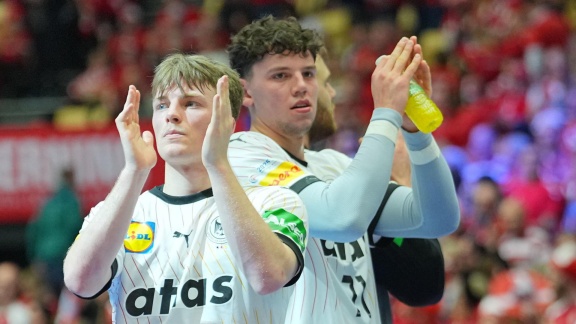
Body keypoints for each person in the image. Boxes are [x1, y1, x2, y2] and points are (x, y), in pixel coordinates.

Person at [227, 15, 460, 323]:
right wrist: (386, 112)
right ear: (246, 93)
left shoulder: (334, 164)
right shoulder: (240, 155)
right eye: (280, 76)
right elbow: (343, 218)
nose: (301, 87)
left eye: (309, 74)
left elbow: (437, 218)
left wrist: (416, 135)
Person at [63, 53, 308, 323]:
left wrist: (218, 165)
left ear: (227, 120)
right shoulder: (121, 213)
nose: (172, 115)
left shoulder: (276, 202)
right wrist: (134, 172)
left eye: (190, 103)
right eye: (162, 105)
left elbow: (267, 277)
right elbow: (80, 281)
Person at [26, 168, 83, 310]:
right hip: (63, 257)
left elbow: (33, 231)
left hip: (43, 257)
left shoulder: (47, 203)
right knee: (66, 300)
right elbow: (76, 229)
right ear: (71, 180)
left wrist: (33, 257)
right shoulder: (72, 203)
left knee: (47, 299)